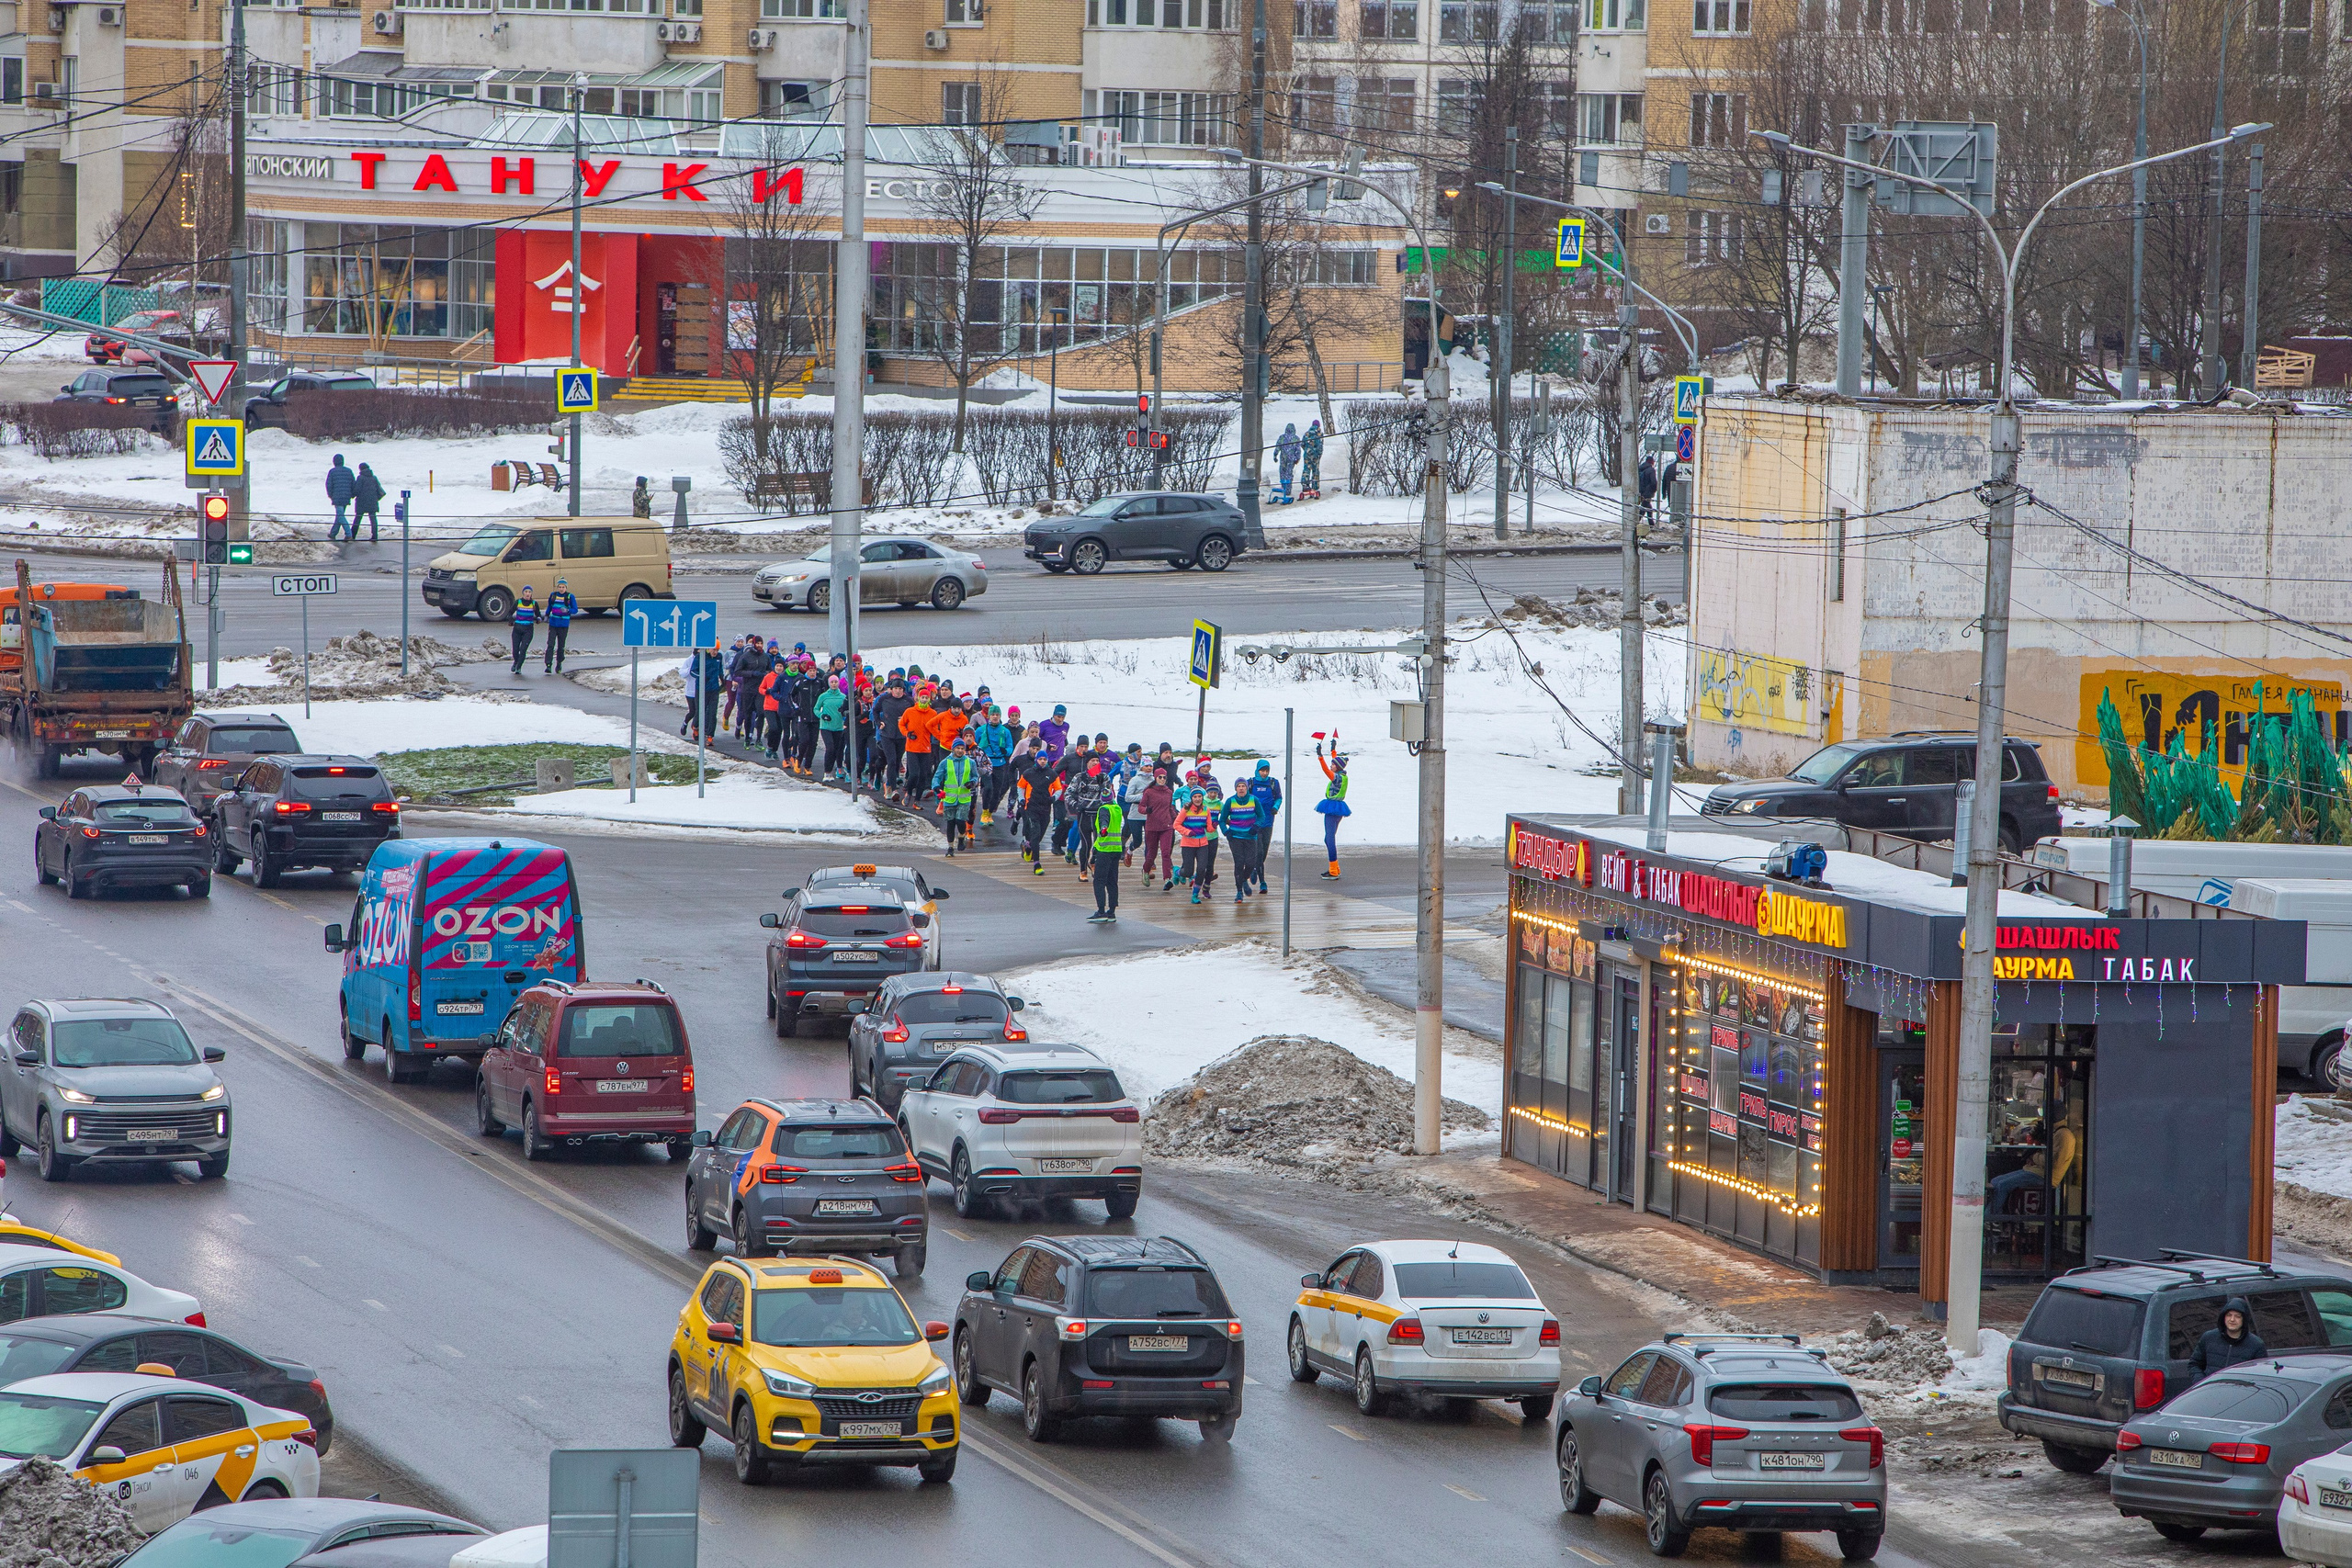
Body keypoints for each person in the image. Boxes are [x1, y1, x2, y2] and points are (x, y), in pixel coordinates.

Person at [2190, 1297, 2268, 1378]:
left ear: (2244, 1319)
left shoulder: (2256, 1345)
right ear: (2223, 1317)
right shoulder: (2209, 1338)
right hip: (2212, 1389)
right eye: (2229, 1315)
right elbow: (2194, 1364)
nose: (2232, 1319)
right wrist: (2202, 1384)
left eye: (2237, 1316)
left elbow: (2261, 1376)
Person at [1218, 778, 1261, 903]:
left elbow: (1261, 816)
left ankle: (1244, 879)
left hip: (1250, 837)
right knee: (1239, 863)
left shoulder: (1254, 800)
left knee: (1250, 863)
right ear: (1236, 788)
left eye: (1243, 786)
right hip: (1235, 837)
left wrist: (1256, 826)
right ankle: (1239, 892)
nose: (1241, 788)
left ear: (1247, 788)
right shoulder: (1230, 801)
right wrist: (1226, 832)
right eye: (1239, 786)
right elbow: (1222, 820)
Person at [1088, 785, 1125, 922]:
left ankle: (1101, 911)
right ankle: (1112, 912)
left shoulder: (1103, 809)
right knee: (1112, 881)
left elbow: (1104, 822)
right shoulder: (1117, 809)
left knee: (1099, 880)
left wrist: (1104, 828)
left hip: (1105, 850)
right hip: (1116, 849)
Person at [937, 737, 980, 855]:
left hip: (964, 797)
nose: (960, 751)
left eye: (962, 748)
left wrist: (972, 783)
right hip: (949, 798)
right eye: (958, 748)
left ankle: (961, 836)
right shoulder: (945, 762)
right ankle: (950, 848)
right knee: (950, 823)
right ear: (953, 749)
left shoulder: (970, 762)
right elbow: (937, 776)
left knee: (961, 821)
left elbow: (975, 777)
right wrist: (936, 788)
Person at [1314, 740, 1351, 879]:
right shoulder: (1343, 775)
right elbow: (1336, 763)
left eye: (1333, 765)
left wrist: (1320, 757)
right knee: (1328, 838)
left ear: (1337, 767)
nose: (1331, 766)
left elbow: (1326, 770)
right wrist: (1333, 750)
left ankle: (1333, 871)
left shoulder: (1336, 778)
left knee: (1329, 839)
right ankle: (1335, 867)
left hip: (1331, 809)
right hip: (1339, 809)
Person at [1246, 760, 1282, 892]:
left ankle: (1256, 869)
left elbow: (1279, 797)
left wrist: (1275, 807)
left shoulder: (1273, 783)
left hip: (1268, 821)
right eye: (1262, 770)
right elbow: (1245, 799)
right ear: (1258, 770)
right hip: (1255, 822)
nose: (1264, 773)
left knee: (1264, 852)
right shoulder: (1251, 783)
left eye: (1267, 771)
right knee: (1259, 851)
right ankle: (1262, 882)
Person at [1176, 789, 1217, 904]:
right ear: (1192, 798)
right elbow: (1176, 824)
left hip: (1202, 844)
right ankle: (1178, 872)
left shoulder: (1206, 810)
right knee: (1188, 872)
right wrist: (1187, 832)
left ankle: (1195, 895)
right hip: (1188, 844)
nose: (1198, 799)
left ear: (1202, 798)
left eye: (1199, 796)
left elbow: (1208, 829)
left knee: (1201, 870)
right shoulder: (1186, 810)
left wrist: (1213, 826)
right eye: (1195, 797)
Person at [1141, 766, 1177, 890]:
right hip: (1152, 826)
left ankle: (1167, 879)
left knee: (1166, 852)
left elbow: (1170, 808)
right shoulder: (1149, 792)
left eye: (1164, 777)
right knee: (1152, 853)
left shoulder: (1169, 792)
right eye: (1160, 777)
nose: (1162, 779)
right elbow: (1141, 807)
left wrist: (1176, 819)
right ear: (1155, 778)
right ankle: (1146, 870)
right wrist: (1146, 810)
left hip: (1167, 826)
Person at [815, 675, 850, 778]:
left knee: (837, 749)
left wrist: (844, 713)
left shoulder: (843, 697)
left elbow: (847, 710)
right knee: (830, 748)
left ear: (838, 683)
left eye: (836, 682)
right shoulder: (823, 696)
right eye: (832, 682)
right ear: (829, 684)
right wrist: (822, 715)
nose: (834, 684)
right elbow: (816, 709)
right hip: (826, 727)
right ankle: (827, 772)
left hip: (839, 727)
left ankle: (837, 769)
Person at [542, 578, 577, 673]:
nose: (561, 589)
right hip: (553, 624)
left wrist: (568, 611)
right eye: (560, 587)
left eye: (563, 587)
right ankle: (548, 665)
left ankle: (559, 663)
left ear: (566, 587)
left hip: (563, 625)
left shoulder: (570, 597)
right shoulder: (553, 595)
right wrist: (546, 615)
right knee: (550, 645)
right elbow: (550, 606)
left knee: (561, 646)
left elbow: (575, 609)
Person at [507, 586, 539, 674]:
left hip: (528, 629)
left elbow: (538, 614)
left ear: (531, 593)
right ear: (523, 593)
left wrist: (538, 619)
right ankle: (516, 661)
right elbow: (510, 613)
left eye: (529, 592)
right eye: (526, 591)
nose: (528, 593)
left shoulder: (534, 604)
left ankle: (519, 667)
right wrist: (510, 620)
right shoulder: (518, 602)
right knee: (515, 650)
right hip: (517, 629)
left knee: (523, 649)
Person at [324, 455, 356, 540]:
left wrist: (330, 495)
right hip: (346, 496)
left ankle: (348, 534)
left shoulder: (332, 472)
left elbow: (329, 485)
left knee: (340, 516)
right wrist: (351, 494)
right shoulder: (349, 471)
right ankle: (333, 533)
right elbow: (353, 484)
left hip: (337, 496)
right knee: (339, 515)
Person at [352, 462, 385, 542]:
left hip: (361, 502)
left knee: (358, 518)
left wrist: (352, 495)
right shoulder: (374, 478)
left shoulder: (360, 478)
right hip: (372, 501)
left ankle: (352, 535)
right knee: (373, 518)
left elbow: (357, 490)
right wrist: (376, 499)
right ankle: (375, 536)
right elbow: (380, 491)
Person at [1274, 423, 1302, 504]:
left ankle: (1283, 487)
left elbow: (1277, 447)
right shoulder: (1296, 438)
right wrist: (1297, 458)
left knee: (1282, 472)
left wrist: (1275, 455)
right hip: (1291, 459)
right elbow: (1298, 450)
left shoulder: (1282, 437)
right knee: (1289, 473)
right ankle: (1288, 489)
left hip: (1283, 458)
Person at [1300, 420, 1325, 500]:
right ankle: (1315, 486)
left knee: (1306, 469)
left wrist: (1307, 450)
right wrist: (1319, 454)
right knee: (1315, 470)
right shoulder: (1320, 434)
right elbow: (1321, 445)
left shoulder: (1306, 433)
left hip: (1307, 454)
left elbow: (1302, 444)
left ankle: (1305, 484)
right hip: (1316, 455)